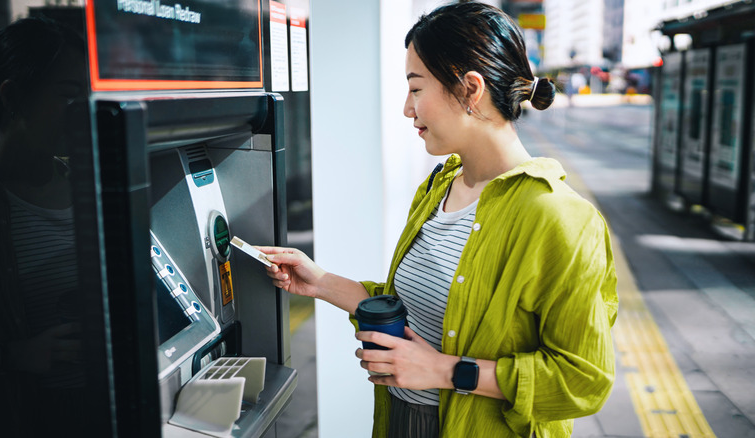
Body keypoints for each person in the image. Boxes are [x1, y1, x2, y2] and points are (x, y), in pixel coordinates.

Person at [262, 3, 618, 438]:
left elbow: (582, 381)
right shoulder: (440, 185)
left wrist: (446, 371)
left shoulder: (560, 217)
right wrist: (320, 283)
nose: (407, 109)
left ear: (470, 89)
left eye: (415, 88)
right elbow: (415, 310)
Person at [0, 17, 88, 437]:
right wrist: (13, 355)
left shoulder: (91, 183)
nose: (83, 110)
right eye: (68, 94)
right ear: (12, 96)